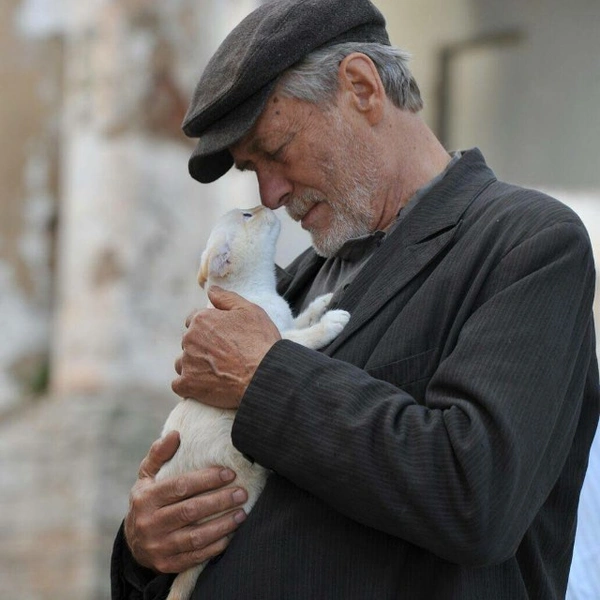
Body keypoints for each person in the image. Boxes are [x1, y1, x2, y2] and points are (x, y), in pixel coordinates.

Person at [111, 0, 599, 598]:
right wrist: (145, 546)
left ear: (362, 88)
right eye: (251, 169)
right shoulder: (293, 282)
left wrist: (265, 375)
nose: (269, 193)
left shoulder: (527, 242)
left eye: (276, 148)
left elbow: (477, 495)